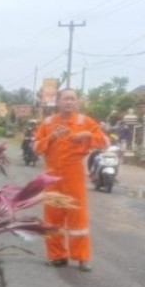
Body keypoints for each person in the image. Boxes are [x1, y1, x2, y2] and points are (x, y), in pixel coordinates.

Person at [34, 89, 107, 271]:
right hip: (52, 176)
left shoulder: (85, 122)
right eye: (65, 99)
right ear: (58, 101)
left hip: (74, 175)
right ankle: (57, 256)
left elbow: (105, 142)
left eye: (72, 99)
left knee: (78, 217)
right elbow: (35, 147)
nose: (69, 102)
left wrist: (88, 135)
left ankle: (82, 258)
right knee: (52, 218)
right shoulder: (48, 123)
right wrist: (51, 137)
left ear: (77, 102)